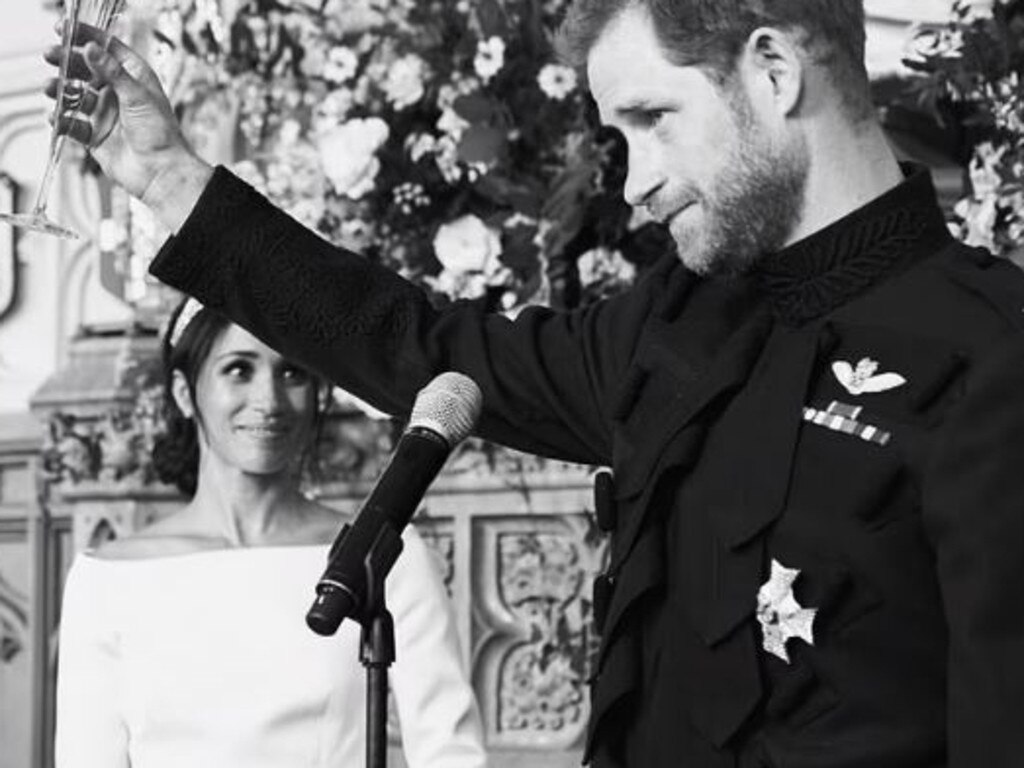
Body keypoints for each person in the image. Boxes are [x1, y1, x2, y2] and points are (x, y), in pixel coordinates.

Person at [49, 0, 1024, 765]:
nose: (634, 183)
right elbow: (424, 344)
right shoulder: (677, 318)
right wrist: (172, 181)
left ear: (773, 71)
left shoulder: (993, 358)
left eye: (652, 119)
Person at [54, 299, 487, 768]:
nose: (269, 401)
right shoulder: (106, 580)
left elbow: (451, 753)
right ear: (184, 393)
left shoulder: (381, 557)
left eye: (292, 373)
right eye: (238, 370)